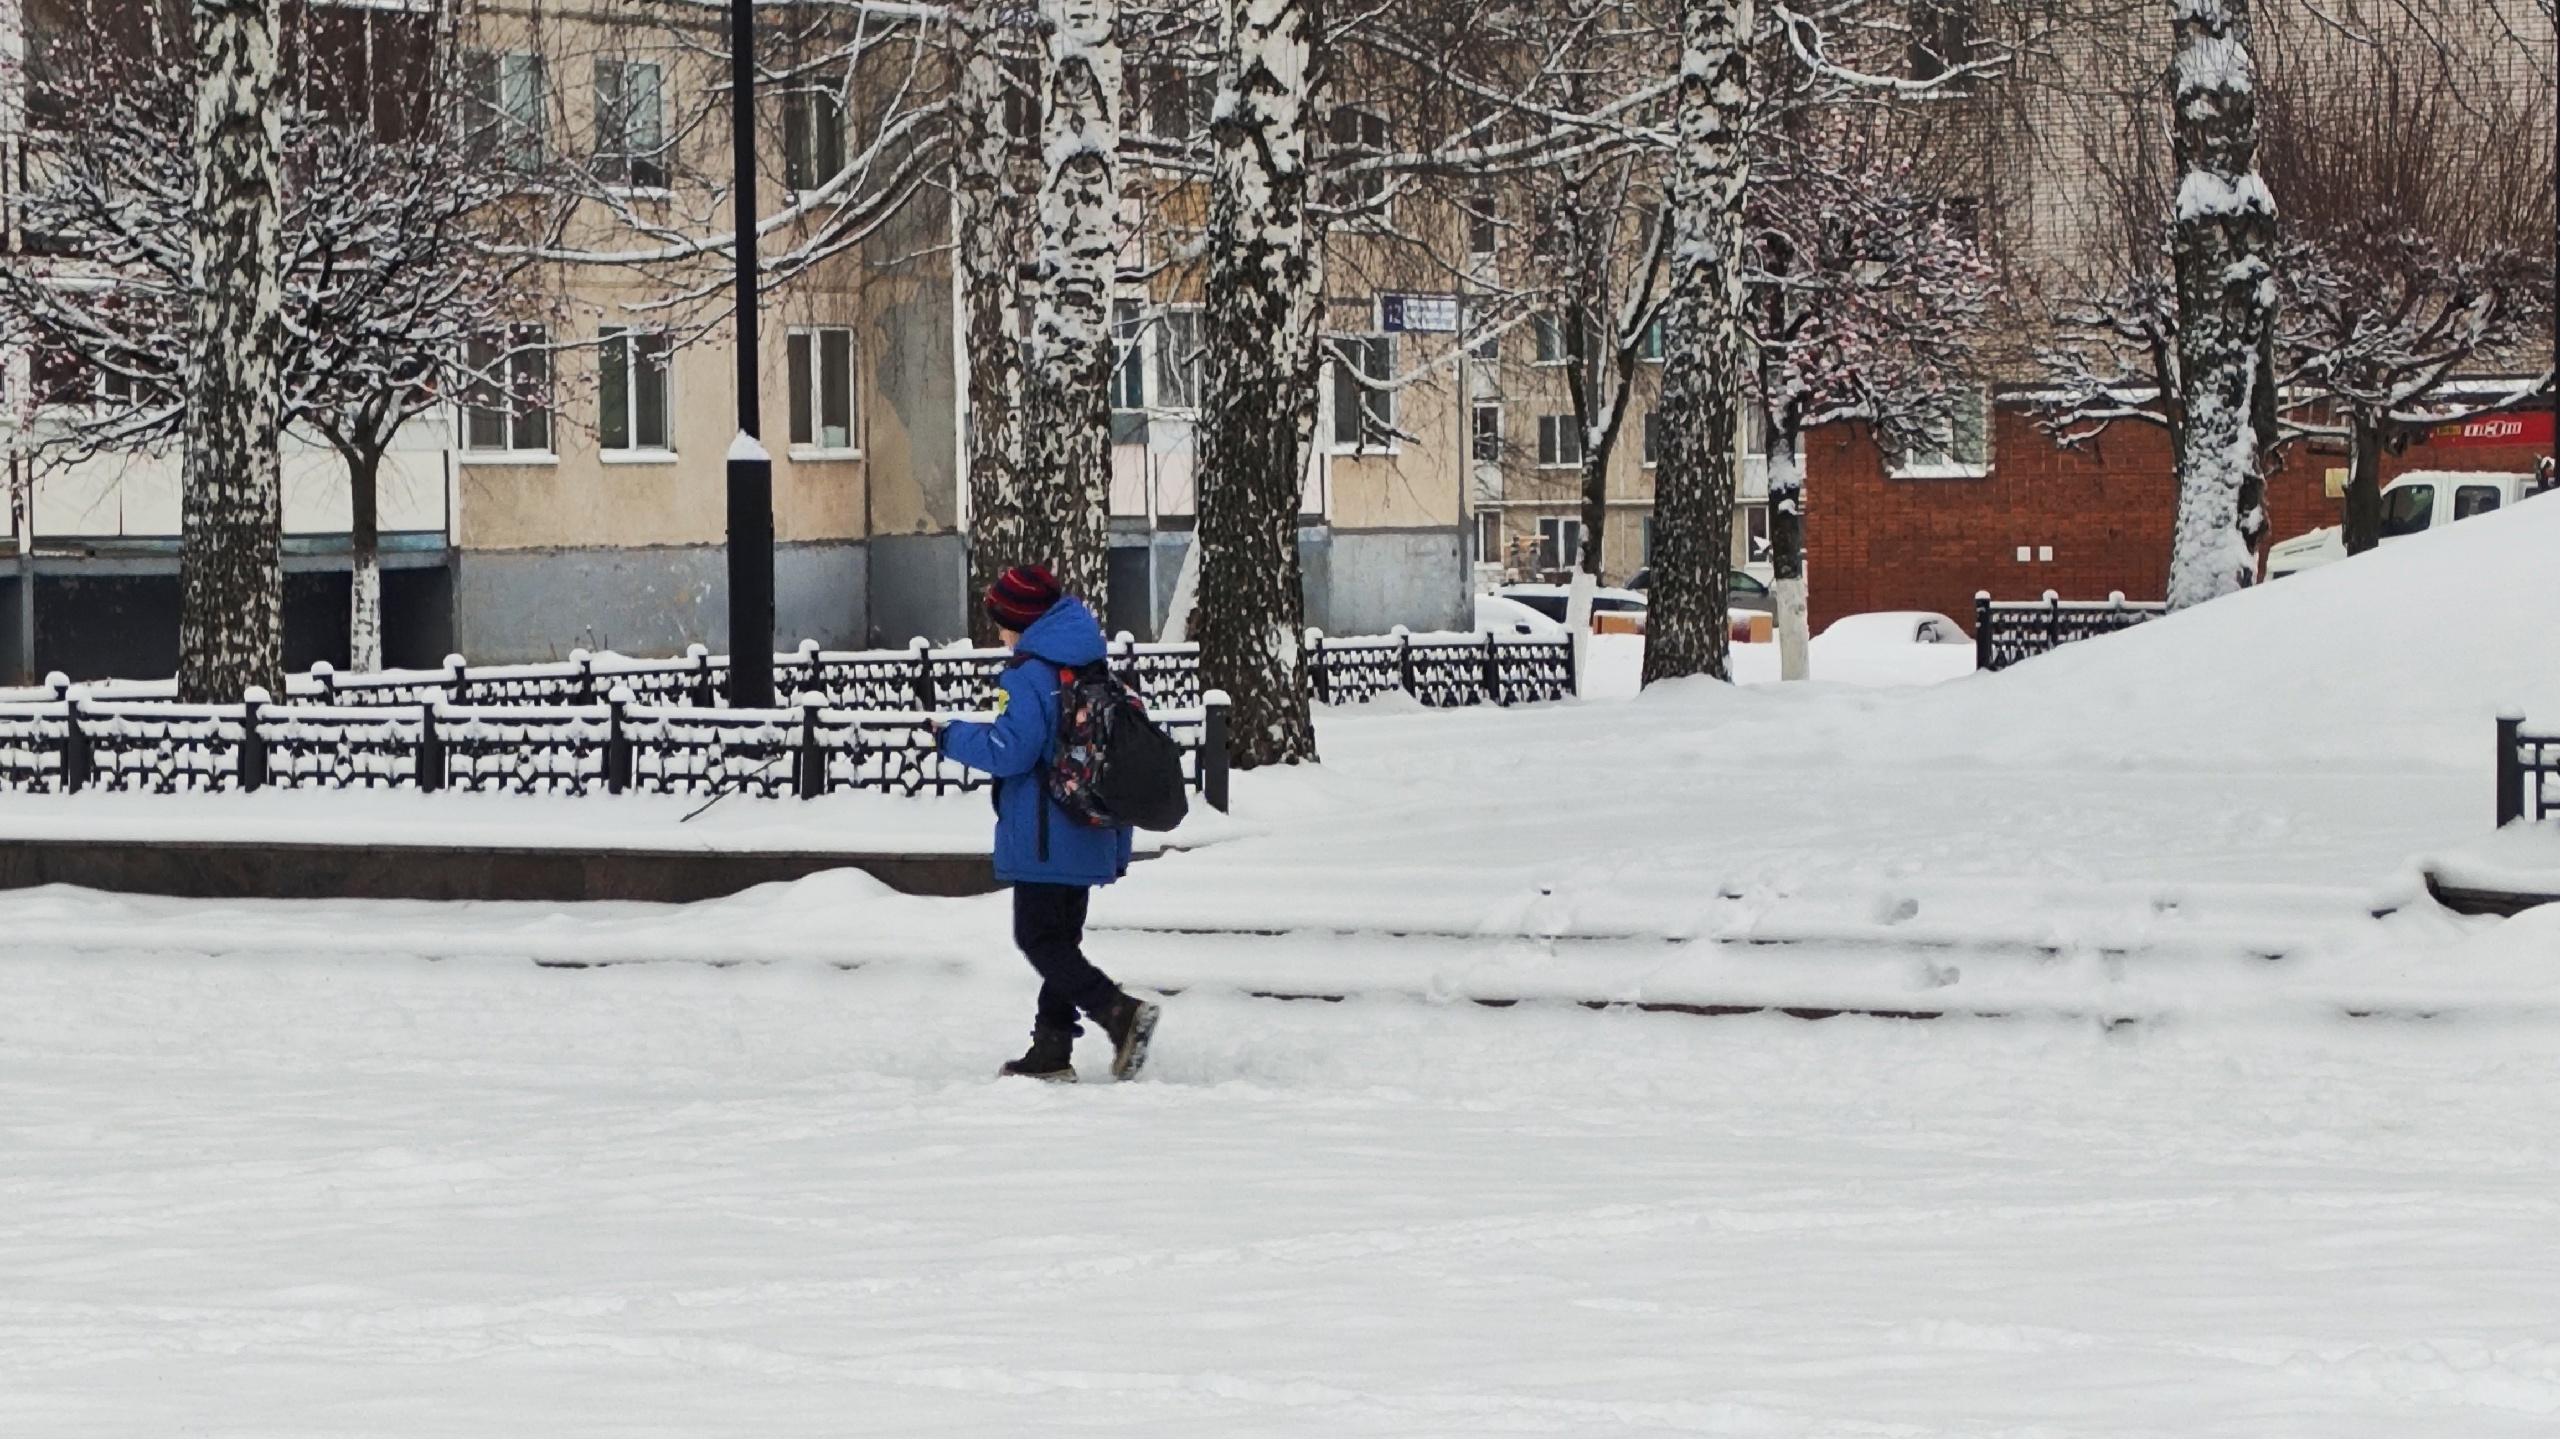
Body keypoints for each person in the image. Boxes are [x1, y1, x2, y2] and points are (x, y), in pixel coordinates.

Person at [936, 564, 1161, 1082]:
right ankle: (1052, 1048)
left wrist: (950, 736)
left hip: (1045, 832)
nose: (997, 633)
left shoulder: (1028, 674)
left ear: (1022, 621)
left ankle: (1119, 1014)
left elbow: (1011, 751)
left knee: (1038, 939)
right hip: (1090, 825)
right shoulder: (1091, 664)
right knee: (1062, 942)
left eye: (1001, 622)